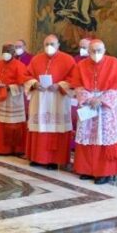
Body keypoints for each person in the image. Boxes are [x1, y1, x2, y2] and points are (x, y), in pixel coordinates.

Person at [71, 39, 117, 184]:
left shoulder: (114, 63)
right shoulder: (81, 65)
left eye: (99, 50)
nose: (96, 54)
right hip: (89, 106)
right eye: (93, 51)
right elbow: (77, 85)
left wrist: (101, 100)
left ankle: (106, 172)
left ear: (104, 49)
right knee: (87, 137)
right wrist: (89, 98)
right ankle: (87, 170)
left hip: (107, 108)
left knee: (105, 138)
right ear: (88, 52)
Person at [24, 35, 75, 169]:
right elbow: (27, 75)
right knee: (39, 126)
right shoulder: (36, 59)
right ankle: (37, 157)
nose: (49, 47)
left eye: (52, 44)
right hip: (39, 98)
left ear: (58, 45)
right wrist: (34, 83)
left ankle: (53, 159)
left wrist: (59, 85)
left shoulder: (68, 60)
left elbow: (74, 78)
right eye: (46, 44)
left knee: (55, 128)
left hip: (58, 98)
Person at [0, 43, 29, 155]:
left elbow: (23, 83)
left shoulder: (19, 65)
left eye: (8, 51)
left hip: (11, 101)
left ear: (13, 53)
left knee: (10, 124)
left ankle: (10, 149)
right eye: (4, 51)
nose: (6, 53)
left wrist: (8, 87)